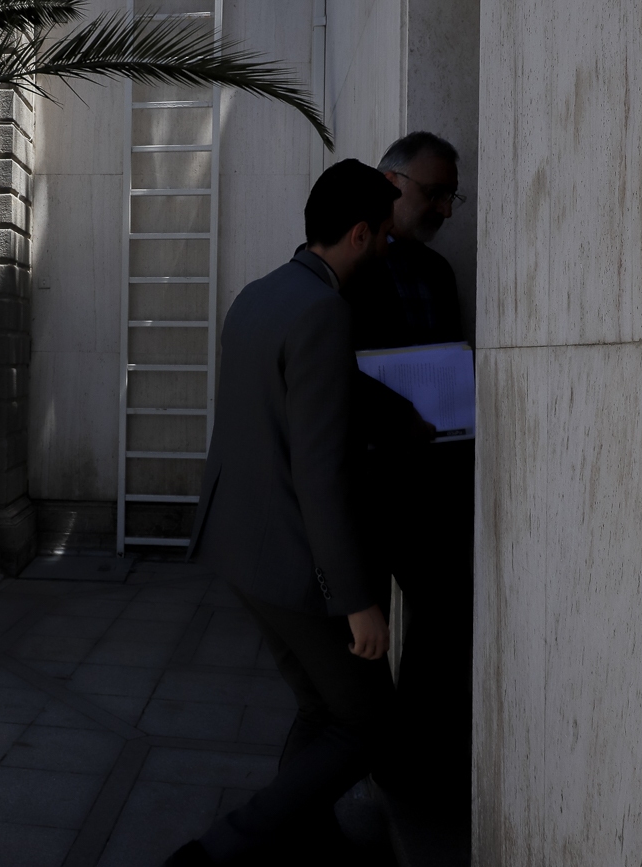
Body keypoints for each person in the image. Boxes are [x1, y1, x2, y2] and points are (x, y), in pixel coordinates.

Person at [165, 160, 402, 866]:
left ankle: (303, 837)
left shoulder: (260, 294)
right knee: (368, 722)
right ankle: (218, 852)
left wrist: (404, 416)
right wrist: (357, 601)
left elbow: (313, 389)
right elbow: (320, 474)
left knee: (322, 709)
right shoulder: (326, 311)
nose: (389, 248)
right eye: (385, 236)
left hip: (240, 549)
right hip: (297, 565)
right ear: (359, 234)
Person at [345, 131, 474, 815]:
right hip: (365, 481)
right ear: (391, 183)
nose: (446, 209)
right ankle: (359, 765)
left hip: (431, 480)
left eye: (453, 196)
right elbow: (330, 372)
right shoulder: (346, 263)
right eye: (435, 193)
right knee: (356, 643)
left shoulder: (438, 272)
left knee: (444, 614)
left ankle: (412, 764)